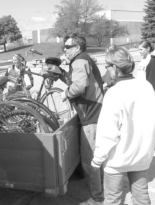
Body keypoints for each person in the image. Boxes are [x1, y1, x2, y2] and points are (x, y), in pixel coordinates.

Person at [92, 44, 155, 205]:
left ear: (114, 67)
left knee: (113, 199)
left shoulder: (114, 93)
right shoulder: (146, 86)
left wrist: (97, 159)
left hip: (117, 160)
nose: (106, 70)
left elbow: (108, 132)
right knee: (141, 197)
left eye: (107, 67)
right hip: (142, 155)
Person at [60, 35, 104, 205]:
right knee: (95, 154)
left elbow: (78, 86)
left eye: (67, 46)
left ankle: (98, 196)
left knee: (89, 158)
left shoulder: (79, 61)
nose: (65, 49)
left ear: (77, 47)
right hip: (94, 112)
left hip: (91, 115)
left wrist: (65, 93)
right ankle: (99, 188)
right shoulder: (83, 59)